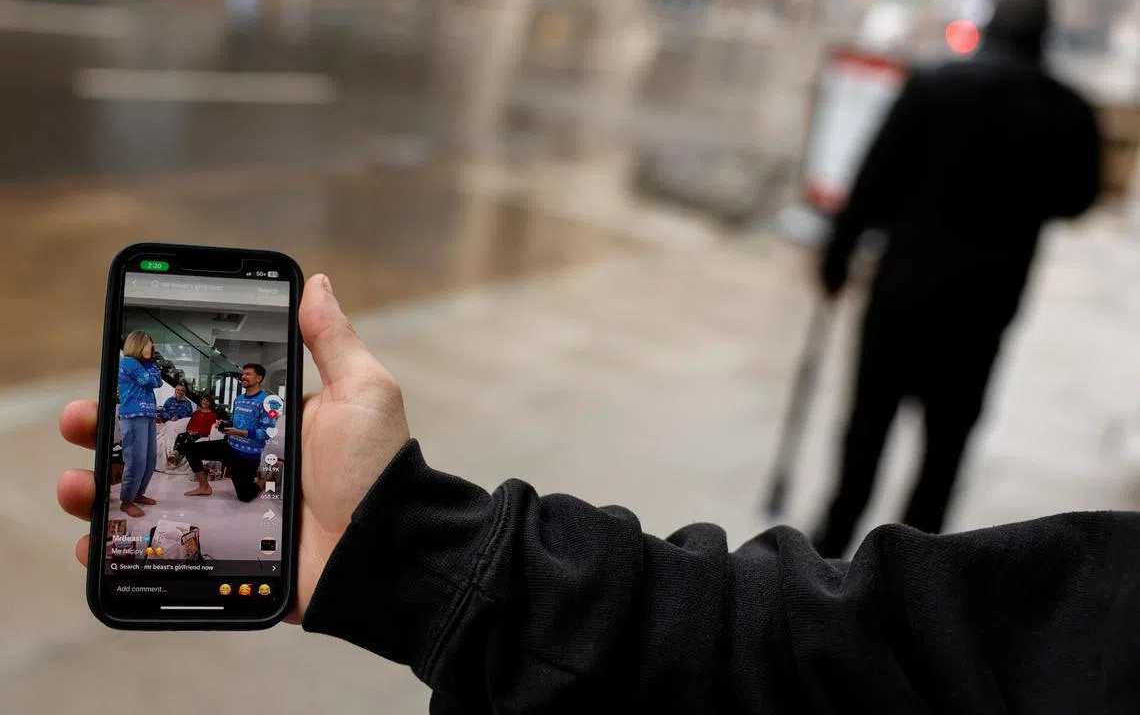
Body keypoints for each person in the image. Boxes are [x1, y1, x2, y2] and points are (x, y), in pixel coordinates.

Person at [58, 275, 1140, 711]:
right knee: (946, 437)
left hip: (902, 290)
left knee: (866, 440)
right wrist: (416, 552)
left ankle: (858, 503)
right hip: (986, 307)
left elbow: (880, 654)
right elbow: (878, 655)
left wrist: (431, 559)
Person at [812, 0, 1103, 558]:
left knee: (867, 428)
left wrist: (836, 258)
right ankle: (916, 578)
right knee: (945, 450)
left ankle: (829, 559)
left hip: (903, 292)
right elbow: (1078, 199)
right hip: (984, 305)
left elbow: (873, 179)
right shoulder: (1068, 110)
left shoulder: (935, 85)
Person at [179, 364, 275, 501]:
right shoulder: (239, 399)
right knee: (190, 449)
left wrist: (239, 432)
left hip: (247, 455)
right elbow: (234, 423)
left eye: (248, 374)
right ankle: (204, 486)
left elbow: (267, 432)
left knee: (245, 497)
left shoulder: (267, 402)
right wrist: (222, 424)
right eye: (243, 374)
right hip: (228, 446)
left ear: (259, 378)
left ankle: (264, 480)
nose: (243, 376)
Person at [116, 330, 163, 517]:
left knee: (150, 459)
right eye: (148, 344)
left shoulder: (144, 365)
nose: (151, 348)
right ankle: (126, 501)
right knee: (136, 461)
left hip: (148, 415)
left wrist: (151, 366)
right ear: (138, 345)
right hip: (133, 416)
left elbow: (157, 381)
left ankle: (138, 494)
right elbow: (150, 381)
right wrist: (151, 367)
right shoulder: (128, 363)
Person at [171, 394, 218, 462]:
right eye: (204, 400)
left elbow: (210, 428)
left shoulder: (213, 415)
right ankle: (174, 454)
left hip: (201, 434)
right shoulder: (196, 413)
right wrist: (190, 430)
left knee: (190, 439)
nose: (204, 402)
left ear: (210, 403)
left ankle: (180, 456)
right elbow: (190, 424)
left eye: (207, 401)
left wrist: (198, 432)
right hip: (191, 432)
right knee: (181, 435)